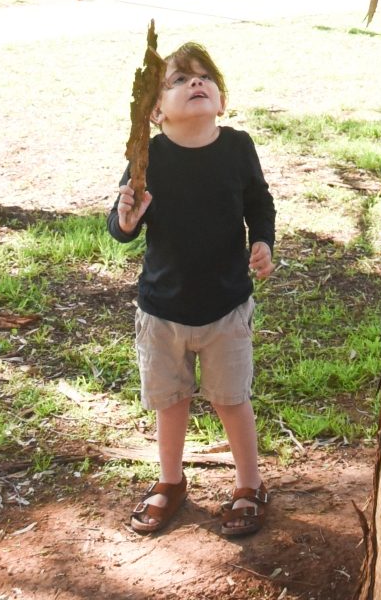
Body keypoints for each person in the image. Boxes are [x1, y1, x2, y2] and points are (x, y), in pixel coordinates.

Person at [109, 41, 275, 540]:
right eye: (179, 80)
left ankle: (249, 485)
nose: (195, 83)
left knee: (230, 399)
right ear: (156, 110)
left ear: (221, 100)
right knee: (171, 400)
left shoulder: (238, 147)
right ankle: (171, 481)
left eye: (204, 77)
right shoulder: (150, 156)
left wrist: (263, 241)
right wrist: (125, 219)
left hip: (226, 305)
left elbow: (258, 202)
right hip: (162, 310)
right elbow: (121, 225)